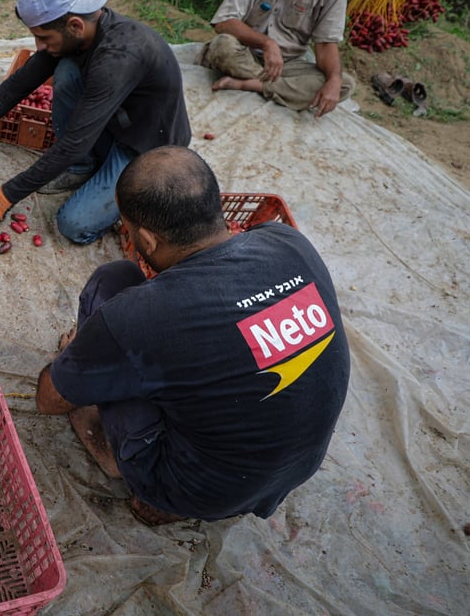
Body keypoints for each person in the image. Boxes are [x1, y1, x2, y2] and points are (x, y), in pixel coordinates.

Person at [35, 145, 350, 525]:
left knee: (112, 281)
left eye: (130, 229)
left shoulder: (142, 316)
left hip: (194, 487)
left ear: (147, 241)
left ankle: (134, 471)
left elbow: (48, 400)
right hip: (293, 471)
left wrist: (75, 359)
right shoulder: (289, 242)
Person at [0, 0, 191, 245]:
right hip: (113, 121)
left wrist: (7, 194)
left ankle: (125, 199)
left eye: (43, 38)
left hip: (145, 147)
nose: (39, 46)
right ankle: (82, 167)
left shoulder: (118, 58)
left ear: (75, 25)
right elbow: (18, 84)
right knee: (66, 69)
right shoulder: (78, 37)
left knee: (74, 225)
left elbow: (73, 142)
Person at [198, 0, 356, 118]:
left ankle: (250, 84)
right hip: (245, 53)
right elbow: (223, 22)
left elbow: (326, 44)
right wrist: (267, 43)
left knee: (343, 84)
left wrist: (334, 80)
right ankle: (284, 89)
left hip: (287, 65)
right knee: (222, 46)